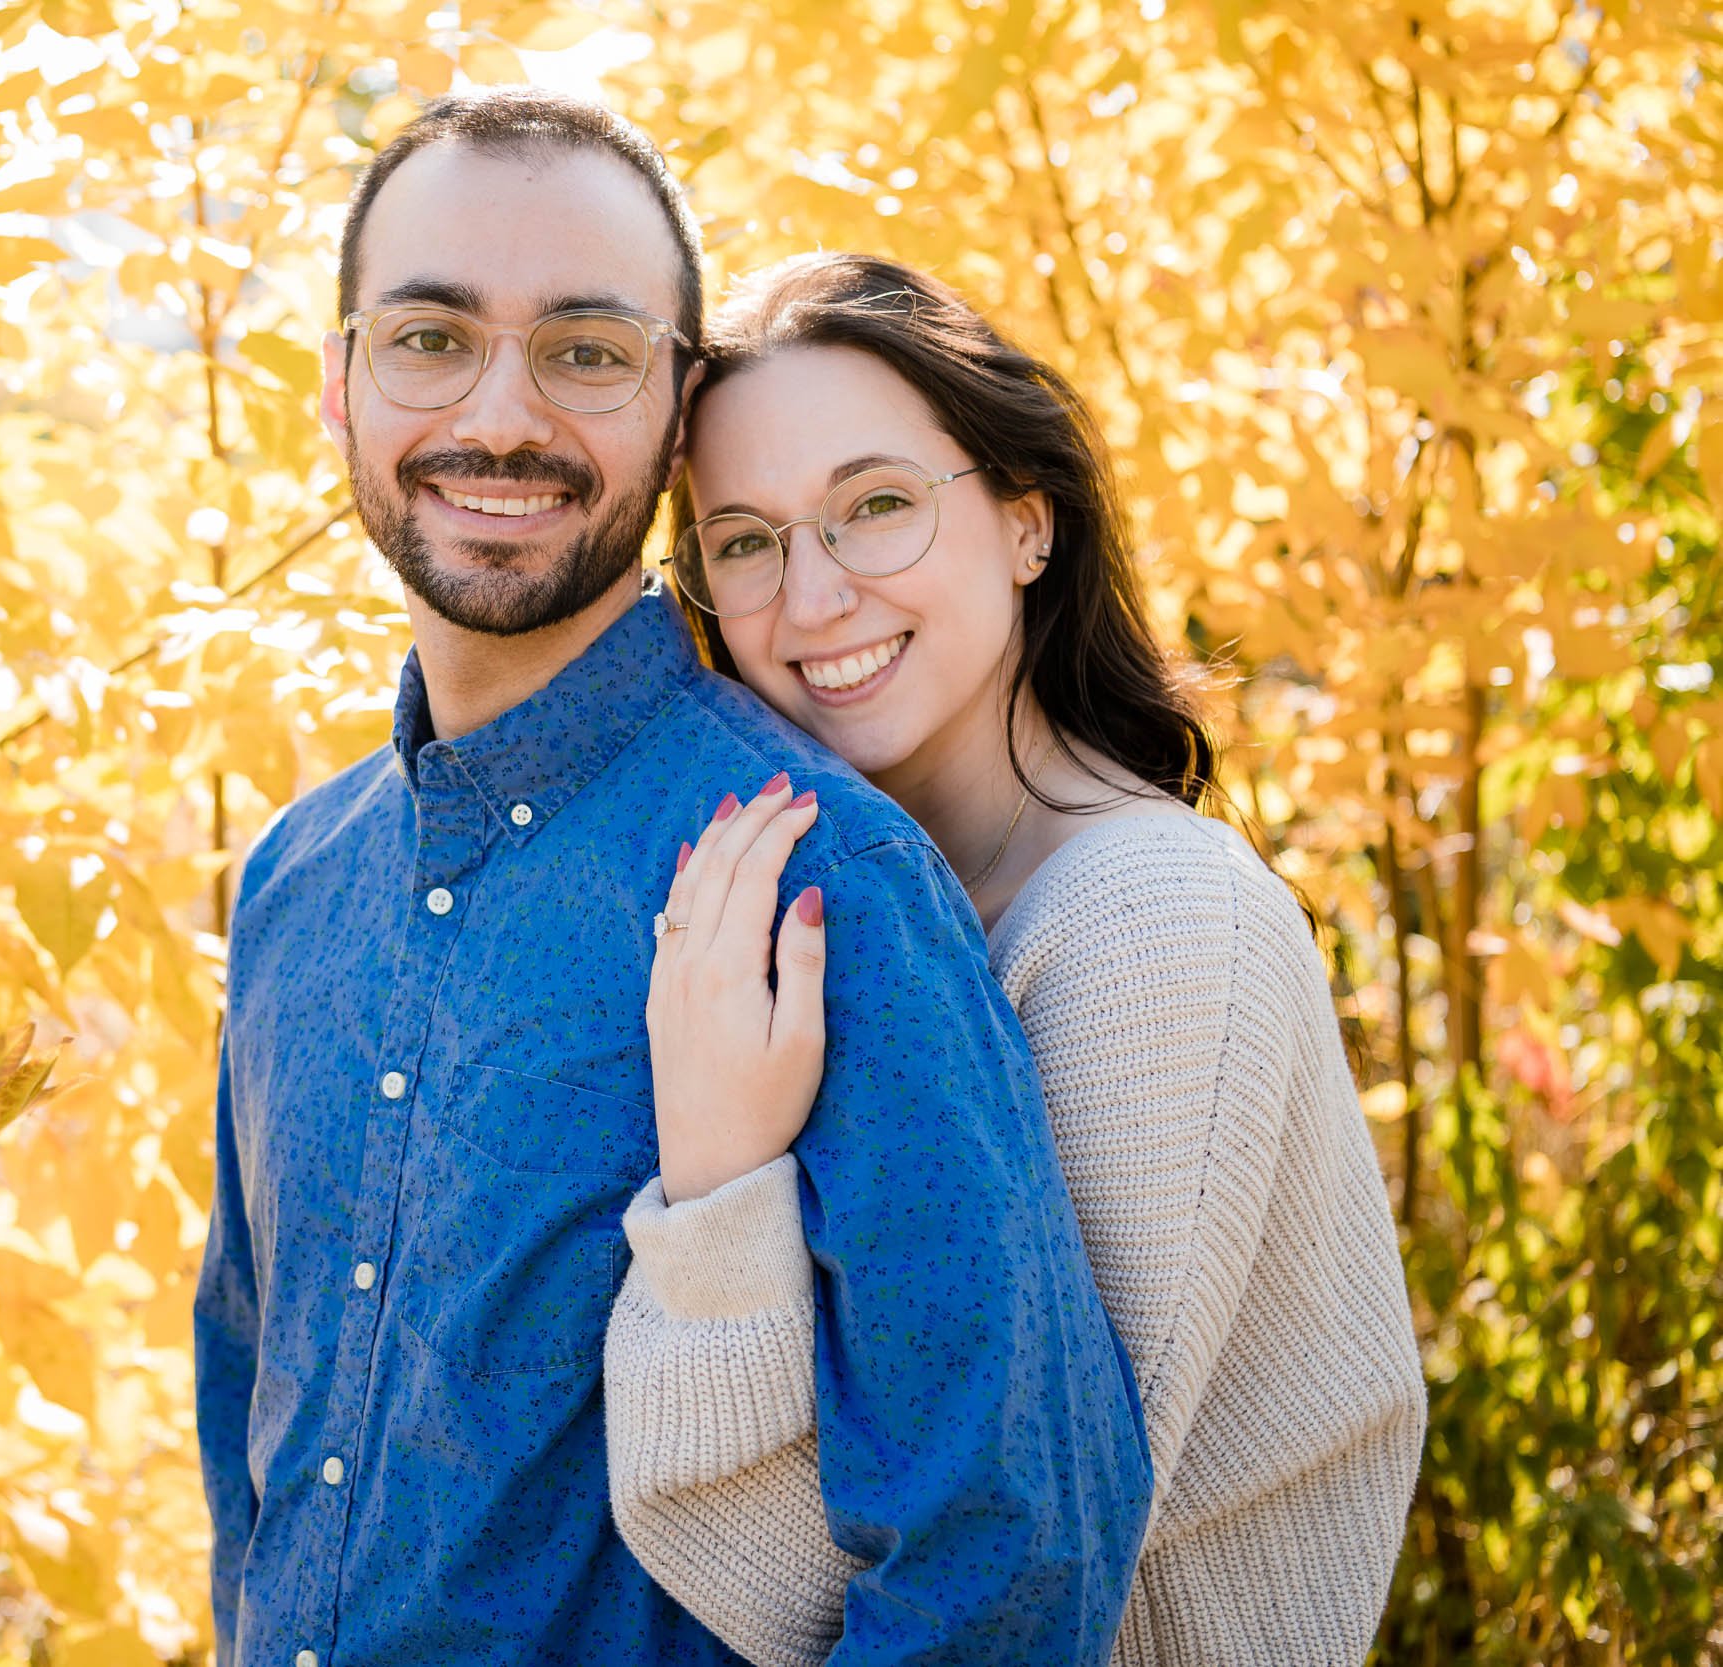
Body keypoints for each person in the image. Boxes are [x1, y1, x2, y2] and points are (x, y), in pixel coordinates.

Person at [192, 90, 1151, 1667]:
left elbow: (1016, 1548)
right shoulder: (296, 883)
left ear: (677, 399)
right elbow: (254, 1413)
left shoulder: (818, 880)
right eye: (431, 337)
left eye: (585, 349)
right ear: (339, 380)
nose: (501, 417)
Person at [603, 252, 1427, 1667]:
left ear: (1026, 523)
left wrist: (716, 1186)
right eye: (744, 540)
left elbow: (1001, 1572)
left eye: (874, 507)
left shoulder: (1150, 922)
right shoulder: (862, 907)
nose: (813, 601)